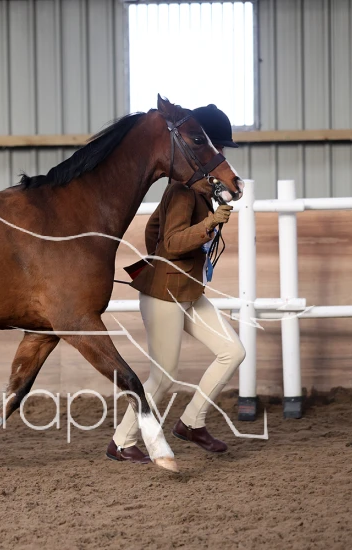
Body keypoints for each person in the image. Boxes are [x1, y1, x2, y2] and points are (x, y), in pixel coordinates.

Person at [107, 104, 246, 464]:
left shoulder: (198, 189)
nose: (220, 155)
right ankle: (121, 441)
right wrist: (208, 225)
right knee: (164, 376)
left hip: (186, 290)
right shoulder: (183, 191)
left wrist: (162, 263)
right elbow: (170, 241)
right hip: (166, 297)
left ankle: (191, 422)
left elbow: (154, 230)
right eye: (217, 147)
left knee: (233, 351)